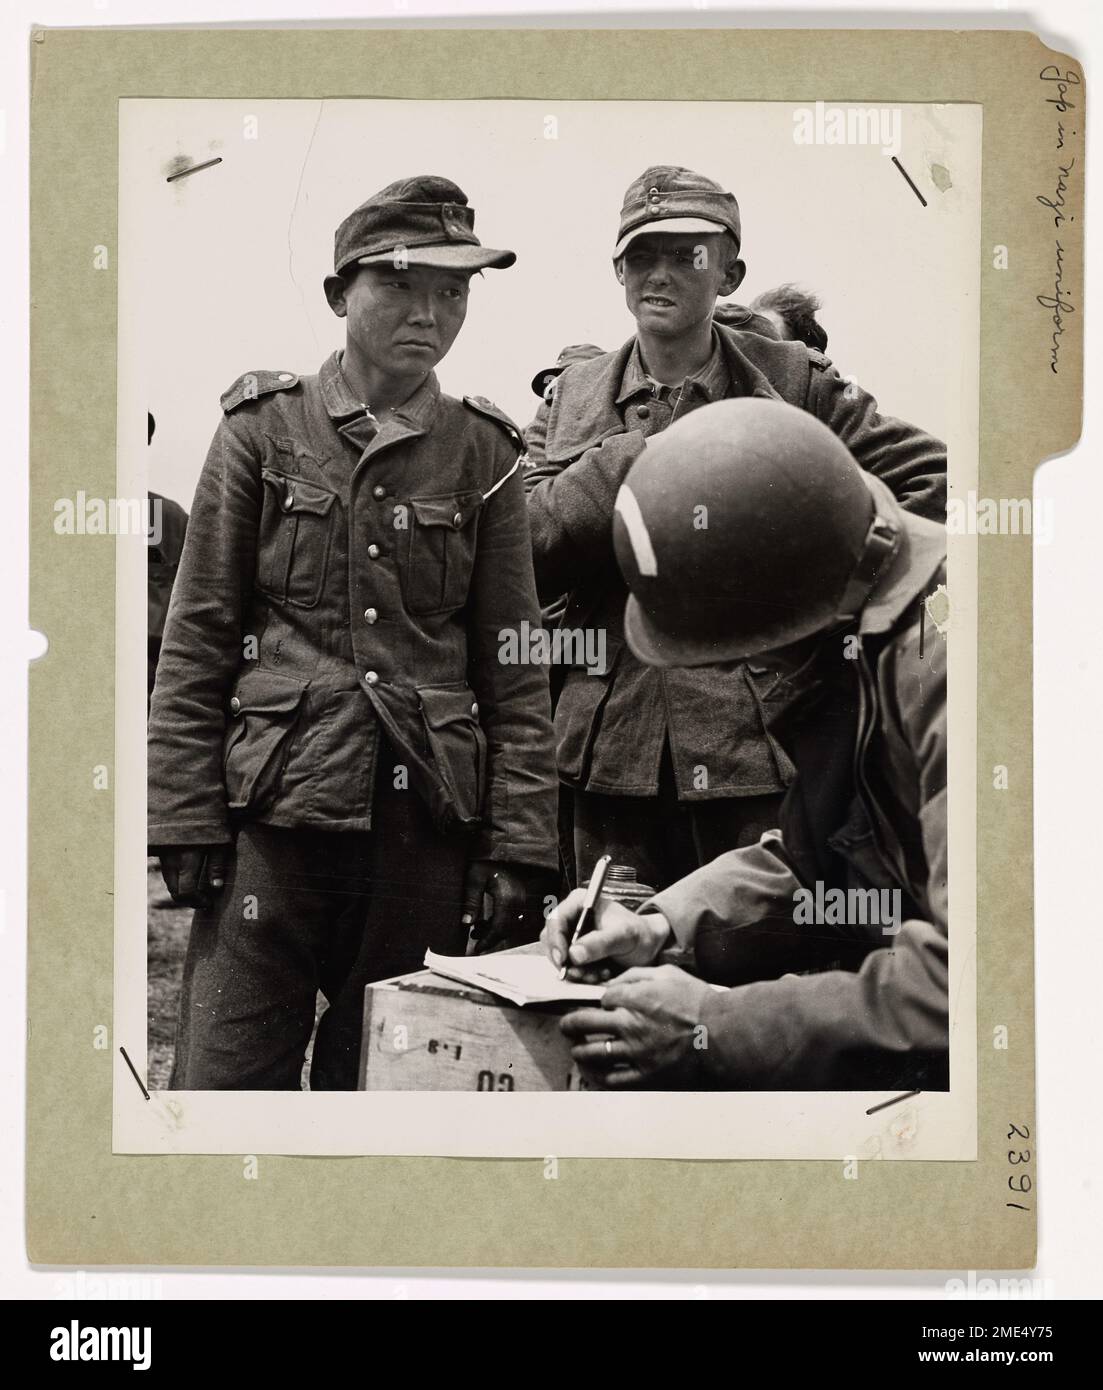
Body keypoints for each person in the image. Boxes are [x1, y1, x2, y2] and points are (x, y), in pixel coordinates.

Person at [148, 176, 559, 1090]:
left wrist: (518, 845)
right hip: (277, 814)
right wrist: (184, 813)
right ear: (340, 294)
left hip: (423, 826)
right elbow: (201, 631)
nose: (430, 312)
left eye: (453, 291)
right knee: (219, 1089)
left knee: (385, 1094)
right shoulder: (263, 429)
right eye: (402, 285)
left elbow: (515, 666)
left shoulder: (486, 452)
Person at [523, 164, 946, 894]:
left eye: (686, 254)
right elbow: (520, 551)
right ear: (617, 271)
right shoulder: (571, 400)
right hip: (610, 751)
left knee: (753, 944)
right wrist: (635, 459)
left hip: (757, 743)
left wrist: (804, 574)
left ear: (728, 272)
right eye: (640, 256)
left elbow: (928, 483)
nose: (659, 273)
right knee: (601, 960)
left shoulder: (794, 383)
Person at [542, 397, 947, 1091]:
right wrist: (659, 927)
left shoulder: (953, 662)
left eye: (737, 653)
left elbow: (978, 982)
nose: (740, 674)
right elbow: (827, 861)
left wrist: (716, 1025)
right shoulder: (868, 626)